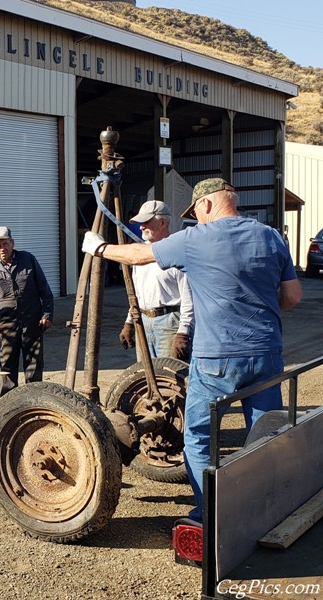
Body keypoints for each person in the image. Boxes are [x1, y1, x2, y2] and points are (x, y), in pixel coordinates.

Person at [82, 178, 302, 522]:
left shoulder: (196, 238)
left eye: (196, 211)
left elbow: (140, 255)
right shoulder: (271, 236)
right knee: (265, 434)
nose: (196, 217)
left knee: (199, 436)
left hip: (217, 358)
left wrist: (99, 248)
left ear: (208, 205)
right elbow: (291, 297)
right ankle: (265, 505)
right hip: (266, 354)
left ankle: (208, 512)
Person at [0, 226, 54, 397]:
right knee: (7, 363)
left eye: (5, 243)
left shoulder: (28, 259)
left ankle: (34, 399)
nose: (2, 248)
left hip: (33, 321)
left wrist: (47, 314)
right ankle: (8, 402)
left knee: (33, 363)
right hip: (7, 323)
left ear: (12, 243)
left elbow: (45, 290)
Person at [120, 200, 193, 362]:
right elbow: (137, 293)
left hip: (169, 322)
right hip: (144, 321)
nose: (141, 227)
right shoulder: (139, 253)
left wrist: (183, 332)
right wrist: (129, 322)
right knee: (146, 373)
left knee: (172, 375)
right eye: (140, 223)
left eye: (146, 222)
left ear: (163, 222)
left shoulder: (177, 251)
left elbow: (188, 297)